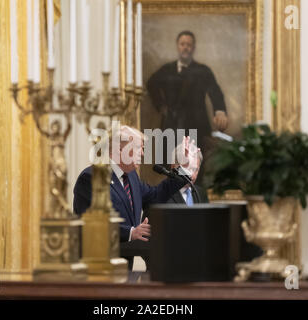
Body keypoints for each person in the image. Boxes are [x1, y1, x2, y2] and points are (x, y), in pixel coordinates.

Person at [73, 126, 199, 243]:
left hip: (126, 262)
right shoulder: (92, 177)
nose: (143, 153)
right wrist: (130, 233)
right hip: (99, 262)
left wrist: (184, 166)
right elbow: (91, 223)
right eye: (139, 147)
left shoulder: (132, 176)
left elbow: (155, 196)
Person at [147, 30, 229, 183]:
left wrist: (220, 111)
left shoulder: (203, 71)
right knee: (170, 167)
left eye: (189, 45)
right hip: (172, 124)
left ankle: (195, 199)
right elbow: (151, 83)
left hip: (196, 127)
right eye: (183, 44)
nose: (186, 48)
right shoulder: (167, 69)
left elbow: (215, 92)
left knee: (196, 166)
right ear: (178, 46)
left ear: (194, 48)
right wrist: (161, 105)